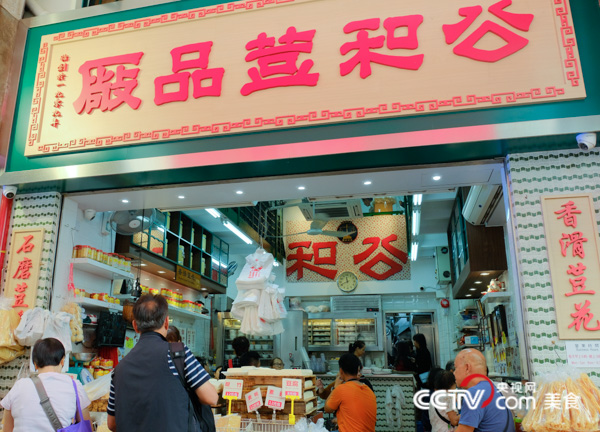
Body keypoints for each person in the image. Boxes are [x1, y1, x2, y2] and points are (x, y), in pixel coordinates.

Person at [107, 294, 218, 432]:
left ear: (135, 326)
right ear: (166, 322)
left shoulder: (119, 368)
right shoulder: (178, 354)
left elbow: (112, 423)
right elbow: (211, 398)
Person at [1, 338, 92, 432]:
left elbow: (7, 429)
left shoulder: (19, 386)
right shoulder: (74, 386)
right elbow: (86, 428)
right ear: (62, 361)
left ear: (35, 364)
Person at [453, 349, 515, 432]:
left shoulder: (474, 393)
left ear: (467, 368)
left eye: (455, 368)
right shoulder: (491, 388)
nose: (453, 373)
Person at [324, 353, 377, 432]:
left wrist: (335, 387)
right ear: (358, 371)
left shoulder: (341, 389)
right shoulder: (368, 389)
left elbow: (327, 409)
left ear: (341, 371)